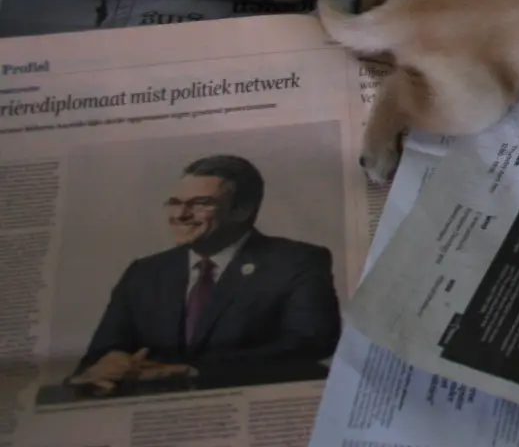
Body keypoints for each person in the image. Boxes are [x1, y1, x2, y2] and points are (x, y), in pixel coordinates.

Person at [70, 155, 340, 391]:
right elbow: (98, 354)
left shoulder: (296, 261)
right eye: (175, 203)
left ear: (242, 210)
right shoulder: (145, 272)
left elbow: (310, 344)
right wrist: (110, 363)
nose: (181, 214)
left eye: (200, 203)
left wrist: (195, 372)